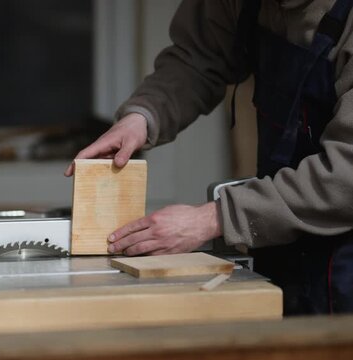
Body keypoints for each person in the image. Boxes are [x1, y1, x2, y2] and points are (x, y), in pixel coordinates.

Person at [65, 0, 353, 315]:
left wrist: (215, 217)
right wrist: (143, 116)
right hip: (277, 239)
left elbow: (346, 175)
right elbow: (198, 58)